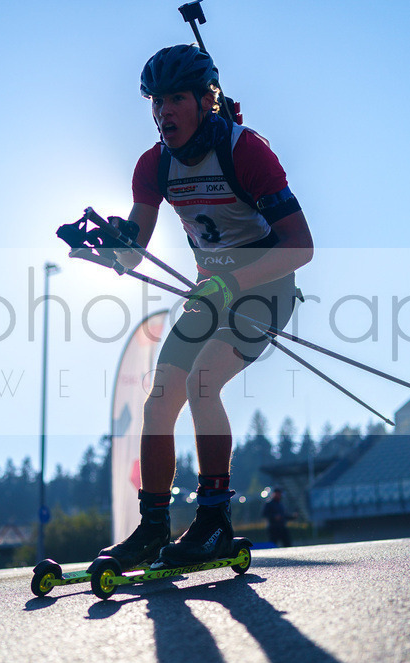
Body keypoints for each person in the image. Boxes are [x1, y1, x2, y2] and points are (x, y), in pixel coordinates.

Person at [98, 44, 313, 570]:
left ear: (205, 100)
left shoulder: (247, 152)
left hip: (266, 287)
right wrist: (105, 248)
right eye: (156, 101)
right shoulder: (154, 166)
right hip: (210, 291)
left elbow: (301, 246)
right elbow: (134, 251)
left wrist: (230, 281)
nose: (163, 111)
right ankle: (152, 530)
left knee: (201, 385)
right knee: (160, 399)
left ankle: (215, 523)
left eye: (176, 99)